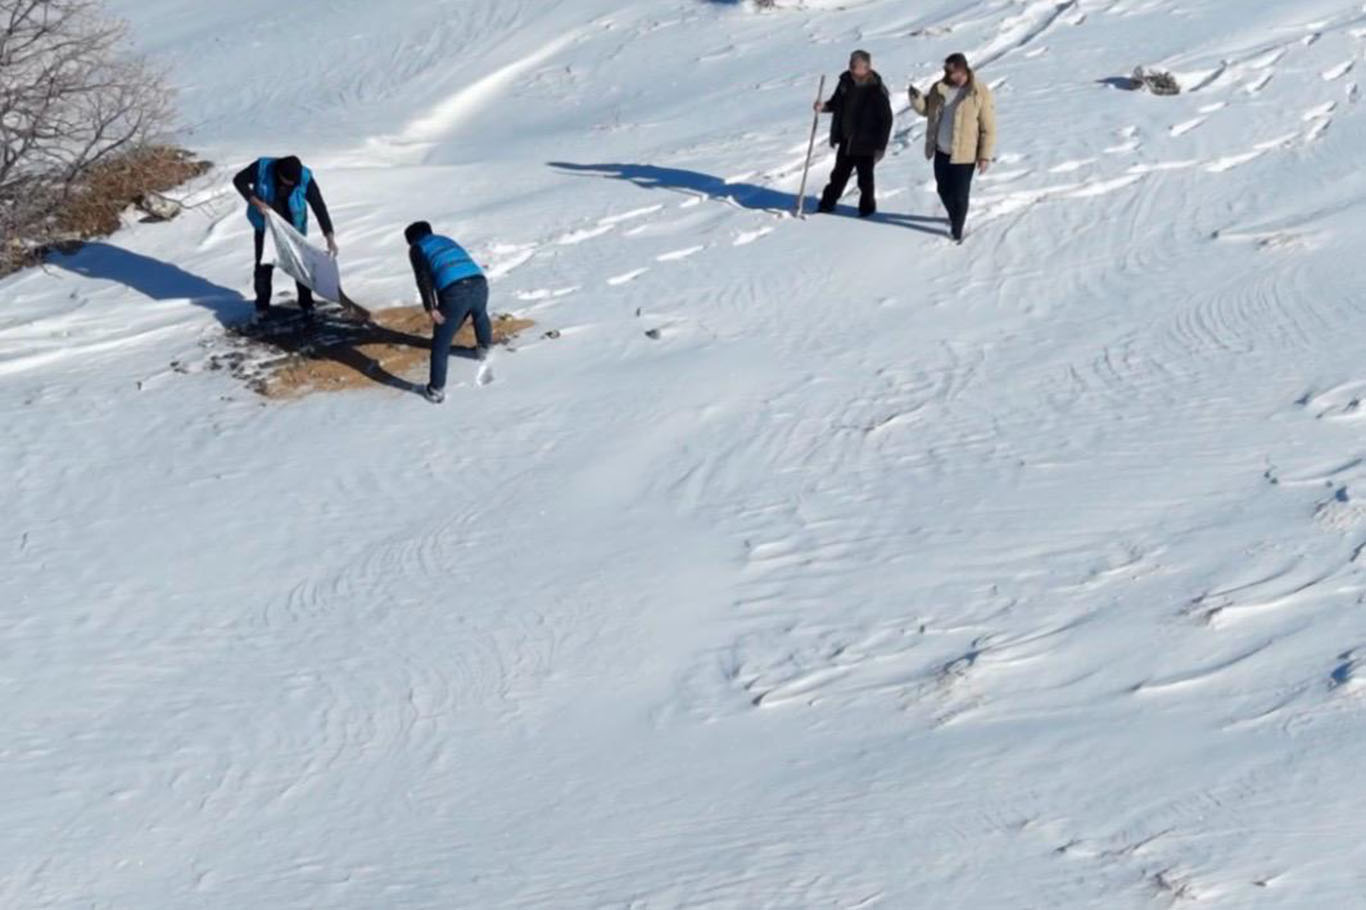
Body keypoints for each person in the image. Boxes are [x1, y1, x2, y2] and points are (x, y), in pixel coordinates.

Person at [232, 155, 338, 317]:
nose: (292, 185)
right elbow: (239, 181)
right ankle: (262, 307)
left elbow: (318, 205)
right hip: (266, 227)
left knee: (301, 266)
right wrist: (257, 202)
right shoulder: (262, 168)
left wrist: (329, 236)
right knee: (264, 266)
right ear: (279, 174)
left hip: (294, 229)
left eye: (294, 182)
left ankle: (307, 304)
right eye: (288, 181)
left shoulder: (304, 177)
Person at [908, 53, 996, 243]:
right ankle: (954, 215)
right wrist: (916, 100)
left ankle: (957, 230)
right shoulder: (940, 88)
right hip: (941, 150)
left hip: (965, 154)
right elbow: (927, 110)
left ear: (964, 69)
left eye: (956, 73)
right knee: (943, 189)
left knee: (960, 195)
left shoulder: (979, 91)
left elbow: (988, 128)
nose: (953, 76)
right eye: (949, 72)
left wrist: (985, 156)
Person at [405, 221, 490, 404]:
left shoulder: (417, 248)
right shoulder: (444, 240)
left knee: (441, 342)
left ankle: (436, 389)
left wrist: (431, 307)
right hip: (479, 281)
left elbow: (423, 277)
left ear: (411, 240)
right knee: (480, 314)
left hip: (455, 290)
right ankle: (483, 350)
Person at [813, 50, 894, 217]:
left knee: (865, 180)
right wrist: (824, 107)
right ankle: (826, 204)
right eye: (850, 64)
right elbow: (836, 103)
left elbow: (886, 119)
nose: (850, 68)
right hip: (847, 139)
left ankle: (867, 209)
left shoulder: (876, 89)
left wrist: (881, 146)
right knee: (838, 175)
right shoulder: (845, 83)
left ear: (866, 67)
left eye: (854, 66)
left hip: (867, 142)